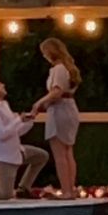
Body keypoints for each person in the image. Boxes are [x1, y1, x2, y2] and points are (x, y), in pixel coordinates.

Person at [0, 74, 48, 200]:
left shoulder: (4, 106)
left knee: (42, 156)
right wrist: (18, 120)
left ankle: (23, 188)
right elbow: (1, 134)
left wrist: (29, 120)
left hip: (16, 150)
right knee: (5, 194)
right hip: (3, 156)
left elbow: (16, 131)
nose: (3, 85)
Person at [30, 38, 80, 198]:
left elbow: (57, 91)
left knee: (60, 153)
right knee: (68, 151)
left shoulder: (58, 69)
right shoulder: (69, 68)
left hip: (59, 110)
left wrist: (40, 102)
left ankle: (66, 190)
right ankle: (70, 188)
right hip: (69, 109)